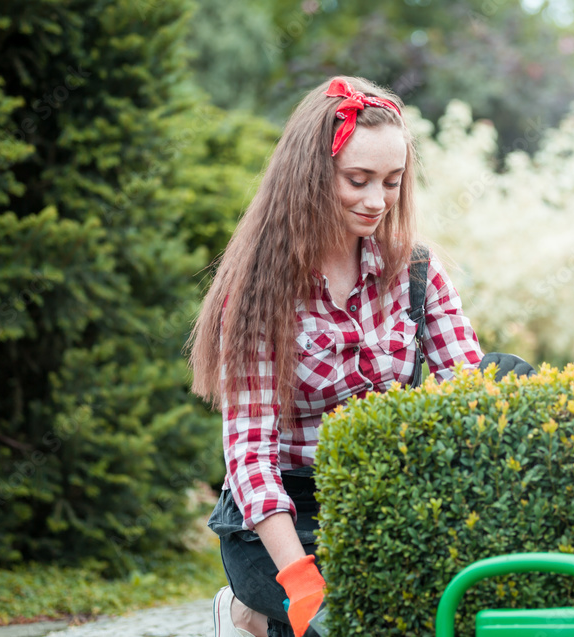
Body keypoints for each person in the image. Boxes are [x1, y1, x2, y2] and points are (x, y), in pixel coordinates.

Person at [184, 76, 531, 637]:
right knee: (337, 624)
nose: (377, 201)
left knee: (508, 373)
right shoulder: (257, 294)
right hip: (284, 518)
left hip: (377, 497)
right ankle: (250, 609)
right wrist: (300, 581)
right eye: (358, 180)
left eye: (392, 182)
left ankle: (263, 623)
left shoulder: (416, 273)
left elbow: (467, 387)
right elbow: (250, 458)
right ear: (312, 177)